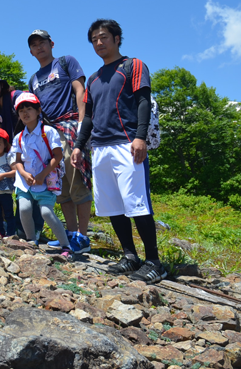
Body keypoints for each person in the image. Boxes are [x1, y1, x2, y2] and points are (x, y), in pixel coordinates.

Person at [71, 19, 165, 284]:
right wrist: (79, 145)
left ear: (116, 38)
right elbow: (88, 117)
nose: (99, 43)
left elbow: (143, 101)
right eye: (94, 40)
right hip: (100, 147)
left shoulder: (133, 65)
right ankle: (130, 256)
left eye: (103, 37)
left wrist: (140, 137)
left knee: (137, 203)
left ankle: (154, 261)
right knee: (112, 205)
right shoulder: (93, 78)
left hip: (127, 143)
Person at [27, 29, 93, 253]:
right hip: (49, 134)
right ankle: (71, 234)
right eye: (34, 45)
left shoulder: (66, 62)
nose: (39, 47)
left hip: (70, 125)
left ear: (51, 43)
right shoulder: (33, 79)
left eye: (42, 43)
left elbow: (80, 91)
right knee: (60, 185)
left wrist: (83, 125)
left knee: (77, 180)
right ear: (30, 51)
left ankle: (83, 237)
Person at [11, 93, 73, 258]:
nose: (25, 113)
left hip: (45, 182)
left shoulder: (49, 131)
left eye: (29, 108)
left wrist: (42, 174)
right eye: (21, 110)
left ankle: (66, 246)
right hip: (24, 183)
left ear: (38, 110)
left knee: (46, 212)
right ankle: (32, 241)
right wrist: (24, 174)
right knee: (24, 208)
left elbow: (58, 156)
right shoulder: (18, 137)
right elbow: (17, 161)